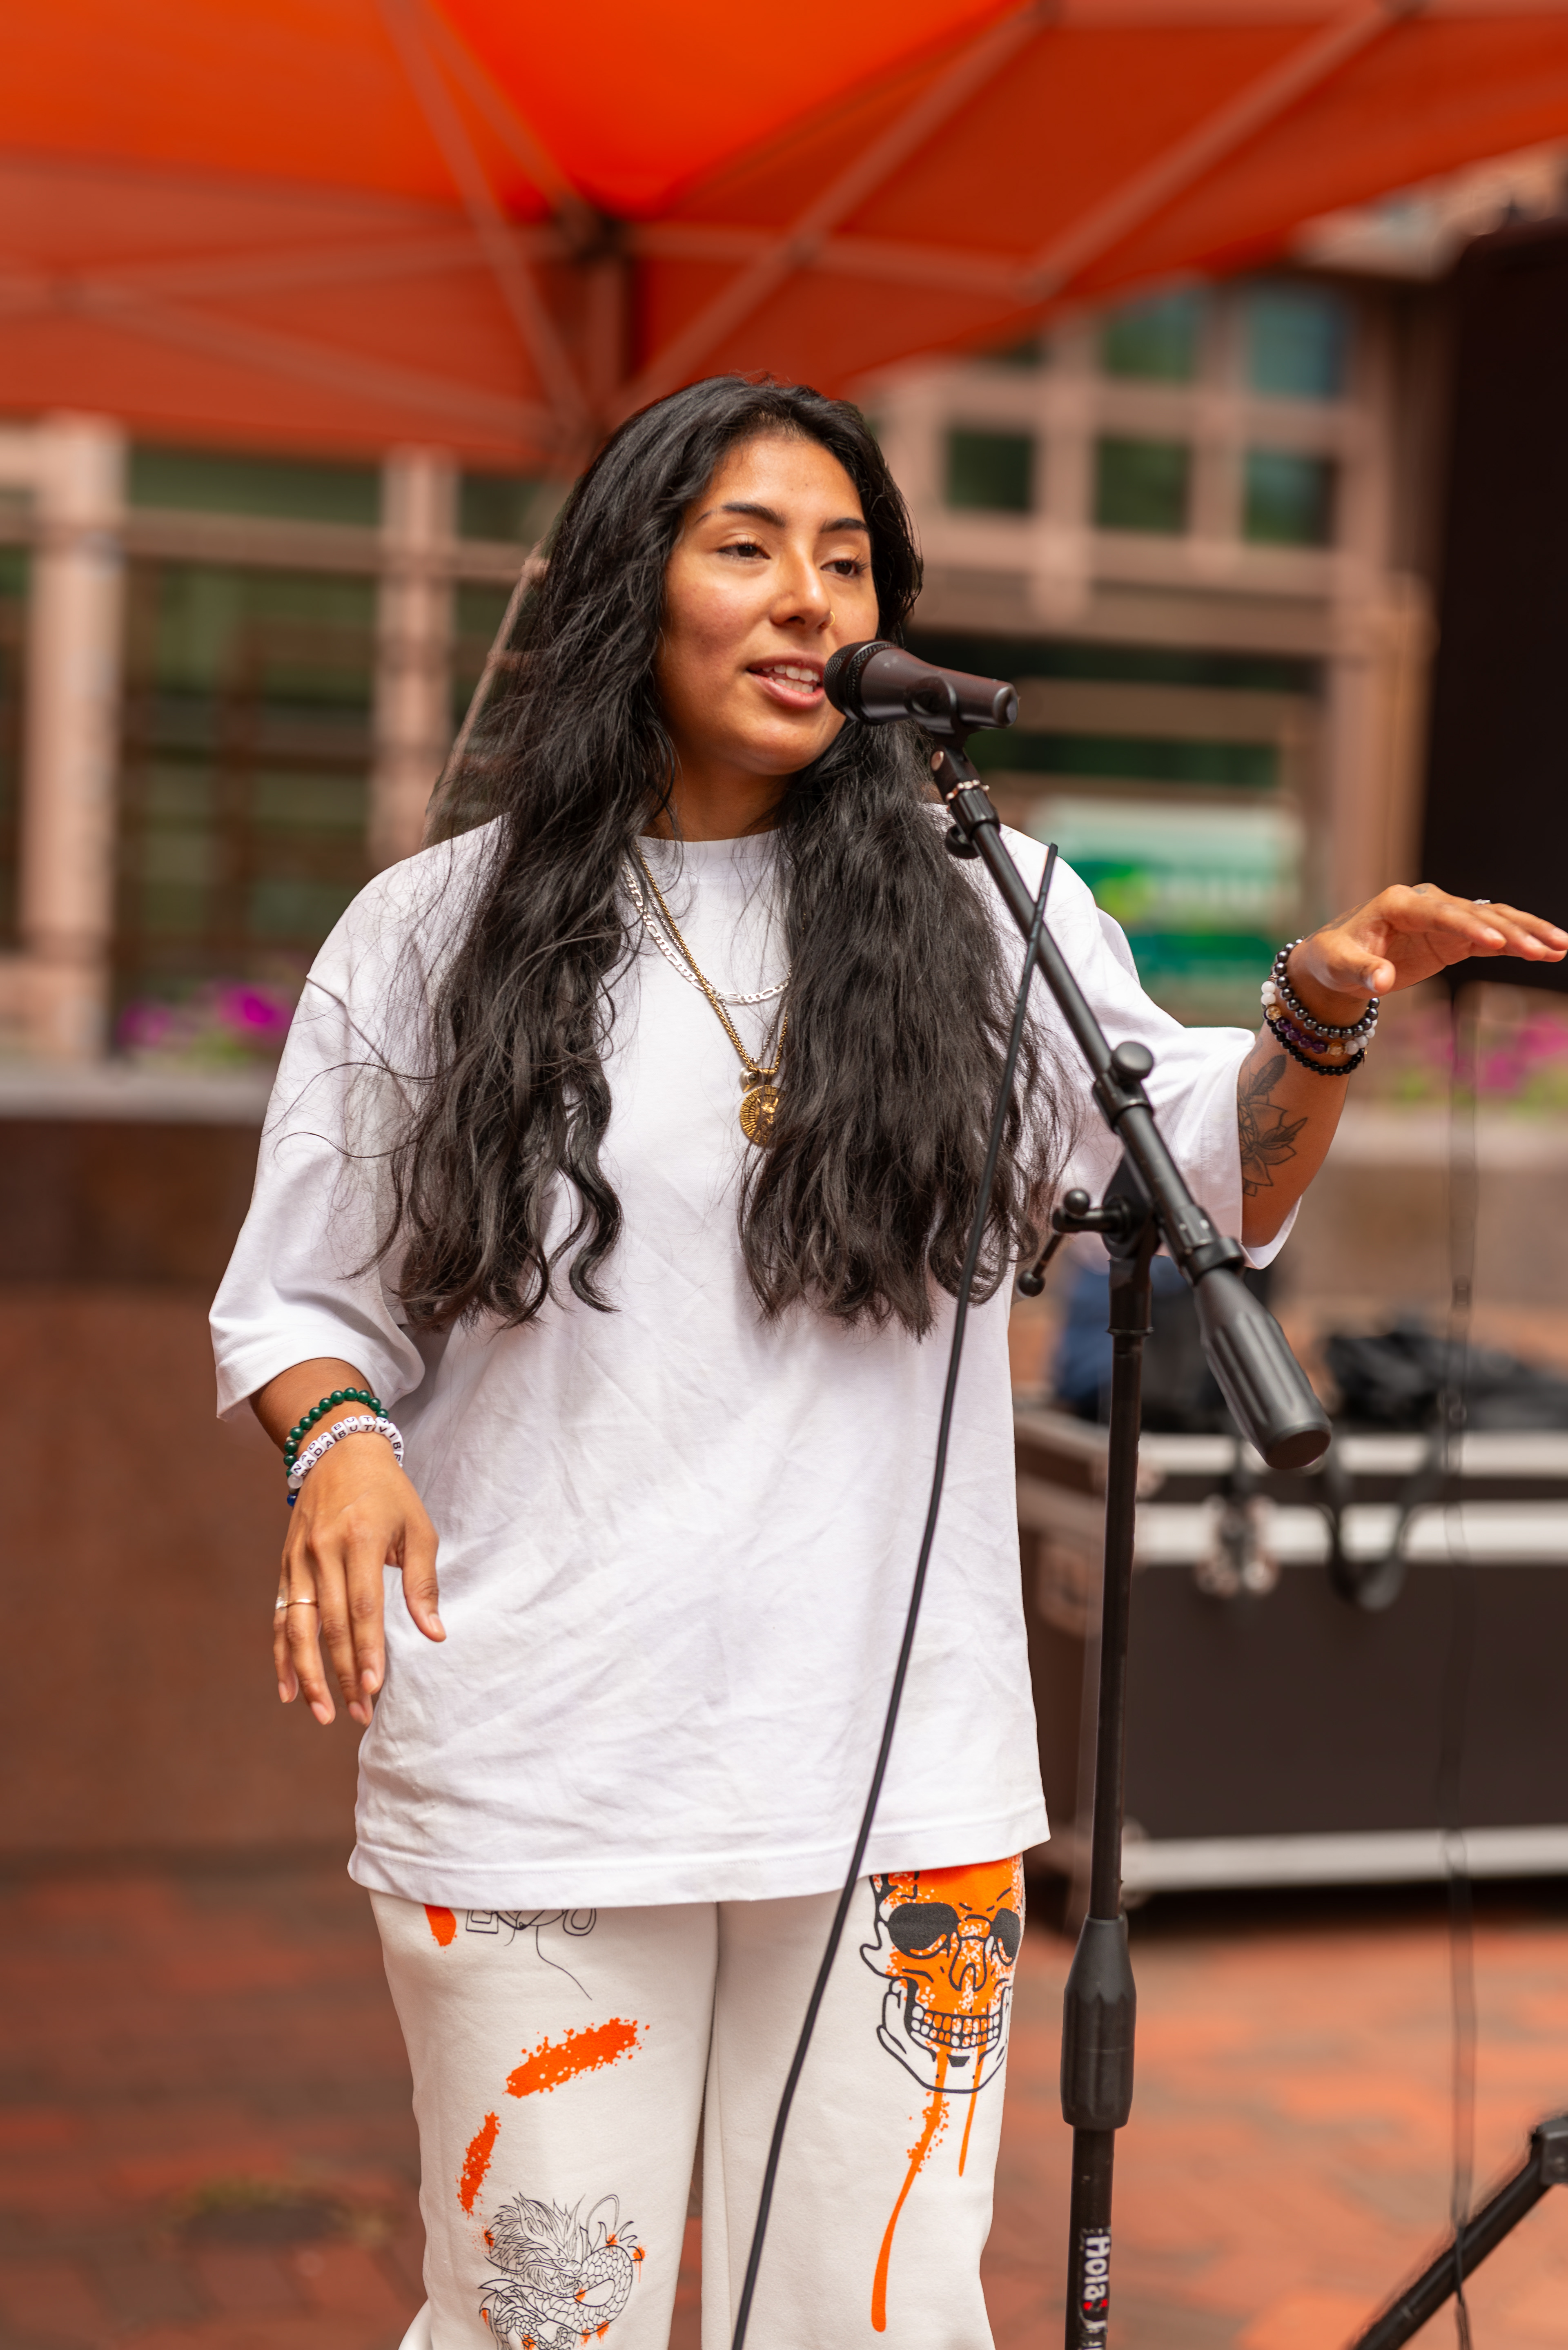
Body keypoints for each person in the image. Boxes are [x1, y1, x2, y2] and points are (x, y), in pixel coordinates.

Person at [210, 375, 1564, 2350]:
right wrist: (341, 1440)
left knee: (881, 2322)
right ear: (630, 585)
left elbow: (1198, 1170)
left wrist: (1322, 1011)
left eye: (846, 562)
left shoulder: (979, 907)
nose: (807, 600)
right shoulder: (435, 930)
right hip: (546, 1753)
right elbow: (300, 1297)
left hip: (900, 1773)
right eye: (747, 546)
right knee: (542, 2318)